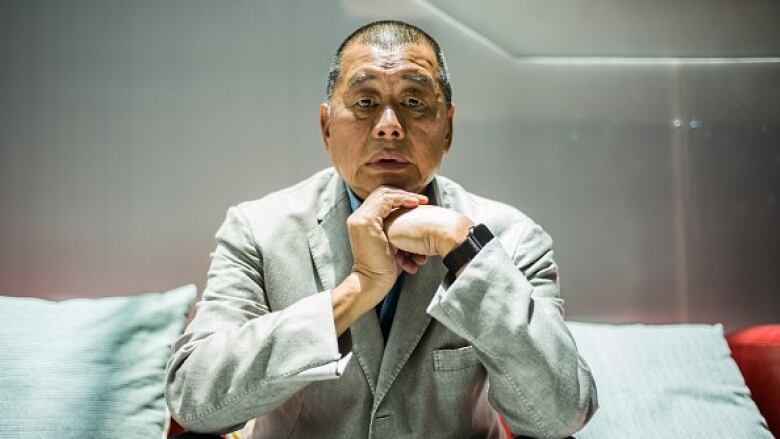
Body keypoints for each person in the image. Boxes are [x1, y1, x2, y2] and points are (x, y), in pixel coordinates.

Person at [165, 20, 598, 439]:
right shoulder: (259, 230)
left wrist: (461, 247)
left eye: (413, 102)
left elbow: (560, 415)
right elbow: (193, 398)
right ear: (326, 127)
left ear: (447, 128)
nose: (389, 124)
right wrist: (355, 291)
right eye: (365, 102)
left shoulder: (512, 237)